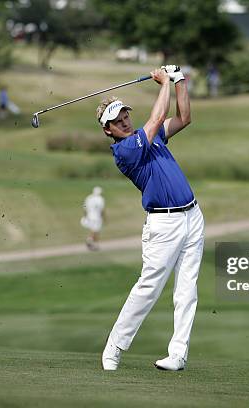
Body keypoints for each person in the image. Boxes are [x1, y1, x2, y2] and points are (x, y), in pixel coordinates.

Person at [98, 66, 204, 372]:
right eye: (117, 122)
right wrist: (164, 83)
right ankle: (114, 348)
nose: (124, 122)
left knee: (187, 290)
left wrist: (180, 79)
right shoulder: (126, 150)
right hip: (163, 224)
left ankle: (178, 355)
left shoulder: (150, 136)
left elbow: (184, 118)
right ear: (108, 130)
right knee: (149, 287)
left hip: (192, 215)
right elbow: (157, 117)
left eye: (125, 116)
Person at [80, 186, 105, 251]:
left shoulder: (89, 197)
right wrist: (104, 217)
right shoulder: (100, 199)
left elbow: (84, 206)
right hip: (97, 217)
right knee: (96, 231)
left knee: (93, 230)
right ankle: (90, 241)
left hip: (89, 216)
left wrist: (85, 215)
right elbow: (102, 210)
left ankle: (93, 243)